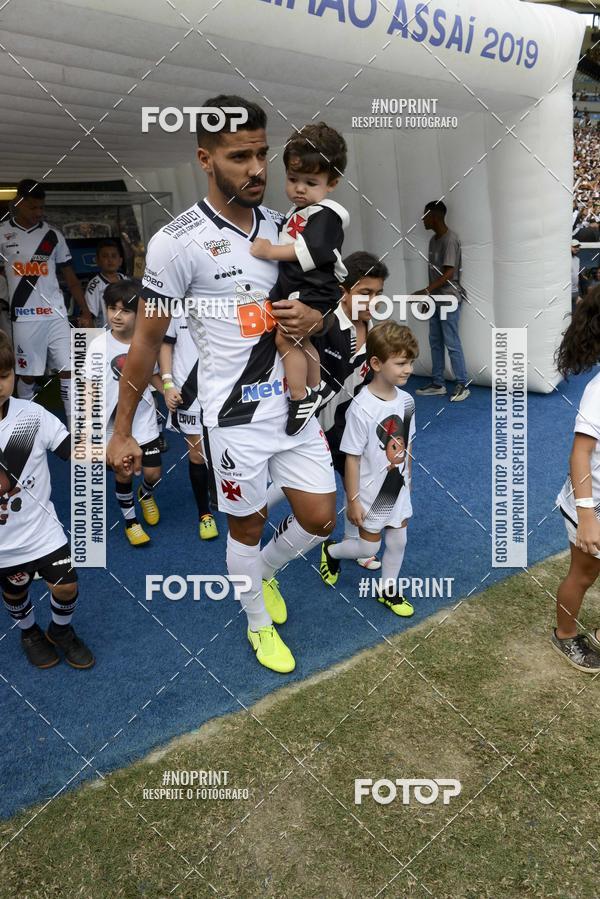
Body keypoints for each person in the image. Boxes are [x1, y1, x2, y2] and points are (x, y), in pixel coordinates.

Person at [106, 95, 337, 675]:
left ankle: (264, 572)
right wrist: (121, 428)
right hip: (231, 419)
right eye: (240, 157)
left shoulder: (289, 226)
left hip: (292, 406)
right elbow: (142, 343)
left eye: (262, 154)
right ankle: (257, 623)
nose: (258, 170)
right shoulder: (175, 242)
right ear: (204, 160)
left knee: (321, 519)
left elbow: (326, 300)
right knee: (248, 524)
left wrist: (319, 317)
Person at [268, 250, 389, 570]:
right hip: (304, 423)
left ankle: (354, 546)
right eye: (365, 293)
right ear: (342, 291)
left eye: (378, 294)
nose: (372, 300)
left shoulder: (373, 329)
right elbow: (286, 347)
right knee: (283, 489)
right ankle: (254, 527)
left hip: (340, 425)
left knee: (360, 480)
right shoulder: (324, 323)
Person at [0, 332, 94, 669]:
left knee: (67, 586)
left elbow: (71, 449)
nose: (0, 384)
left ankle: (61, 631)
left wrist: (108, 454)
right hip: (3, 543)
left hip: (42, 530)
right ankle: (28, 632)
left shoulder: (32, 415)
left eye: (5, 375)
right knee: (15, 592)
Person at [250, 122, 349, 436]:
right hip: (306, 288)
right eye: (293, 179)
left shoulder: (328, 212)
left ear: (332, 182)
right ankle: (315, 386)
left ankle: (301, 396)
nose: (299, 189)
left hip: (315, 288)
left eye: (311, 181)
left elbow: (313, 250)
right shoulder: (298, 212)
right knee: (302, 339)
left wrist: (269, 250)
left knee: (286, 338)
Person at [319, 321, 418, 616]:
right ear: (376, 363)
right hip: (370, 492)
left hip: (396, 488)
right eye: (400, 363)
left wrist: (408, 482)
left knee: (399, 539)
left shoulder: (408, 401)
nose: (408, 369)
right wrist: (353, 501)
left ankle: (388, 590)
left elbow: (408, 445)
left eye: (411, 362)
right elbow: (351, 457)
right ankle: (332, 551)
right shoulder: (361, 407)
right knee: (366, 549)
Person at [0, 180, 92, 428]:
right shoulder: (2, 233)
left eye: (41, 208)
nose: (38, 213)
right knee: (27, 376)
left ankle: (76, 428)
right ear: (18, 203)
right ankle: (25, 426)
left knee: (68, 370)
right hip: (24, 317)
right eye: (32, 208)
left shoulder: (53, 235)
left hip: (56, 315)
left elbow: (70, 277)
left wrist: (85, 310)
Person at [88, 279, 163, 547]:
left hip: (144, 422)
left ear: (139, 313)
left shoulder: (147, 343)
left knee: (153, 474)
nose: (117, 316)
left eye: (125, 310)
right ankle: (131, 521)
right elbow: (90, 390)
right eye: (112, 309)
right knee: (124, 474)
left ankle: (146, 495)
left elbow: (154, 375)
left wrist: (167, 390)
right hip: (113, 427)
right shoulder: (97, 345)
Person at [553, 285, 600, 672]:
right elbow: (580, 452)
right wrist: (587, 515)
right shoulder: (598, 392)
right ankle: (565, 635)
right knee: (583, 574)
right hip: (591, 502)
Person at [159, 312, 218, 540]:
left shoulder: (222, 297)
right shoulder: (176, 304)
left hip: (222, 388)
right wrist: (167, 383)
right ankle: (204, 514)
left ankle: (224, 495)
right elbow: (166, 343)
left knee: (228, 447)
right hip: (188, 390)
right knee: (197, 455)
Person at [414, 200, 470, 402]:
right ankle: (438, 383)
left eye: (425, 215)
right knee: (435, 341)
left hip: (449, 298)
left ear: (435, 216)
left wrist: (425, 291)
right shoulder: (433, 241)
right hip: (436, 298)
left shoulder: (450, 239)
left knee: (451, 342)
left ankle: (462, 384)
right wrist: (428, 295)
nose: (422, 219)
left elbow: (449, 273)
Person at [85, 239, 126, 328]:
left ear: (120, 261)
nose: (110, 260)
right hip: (105, 336)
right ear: (97, 261)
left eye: (114, 256)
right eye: (105, 256)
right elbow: (89, 316)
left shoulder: (127, 281)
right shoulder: (95, 285)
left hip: (127, 334)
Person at [571, 239, 582, 310]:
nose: (577, 248)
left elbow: (576, 274)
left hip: (575, 291)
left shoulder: (577, 259)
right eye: (574, 246)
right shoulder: (565, 259)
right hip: (567, 292)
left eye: (578, 246)